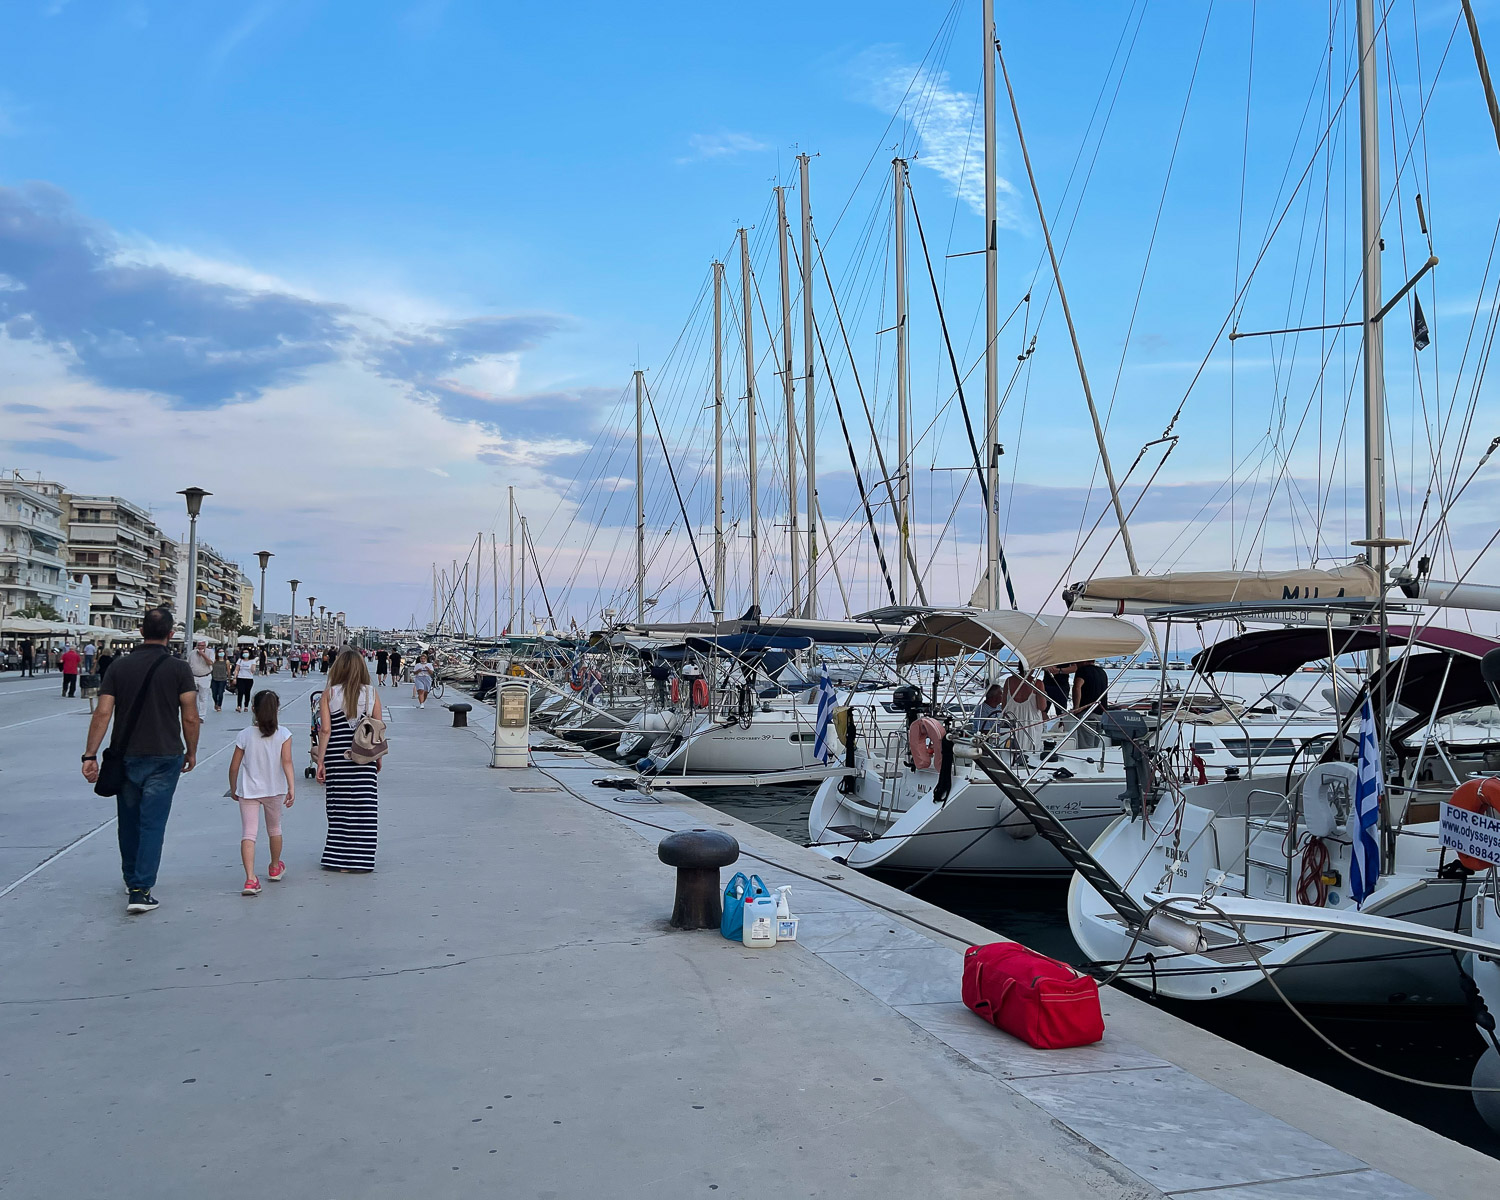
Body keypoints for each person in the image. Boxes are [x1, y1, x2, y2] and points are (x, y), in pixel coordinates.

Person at [80, 606, 199, 914]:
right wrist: (192, 750)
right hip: (165, 755)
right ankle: (141, 889)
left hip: (126, 755)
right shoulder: (179, 668)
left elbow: (103, 712)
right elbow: (190, 716)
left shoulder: (119, 667)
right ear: (171, 634)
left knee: (129, 820)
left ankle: (131, 876)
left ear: (141, 631)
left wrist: (90, 754)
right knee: (153, 823)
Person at [317, 648, 382, 872]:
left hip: (337, 756)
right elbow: (377, 729)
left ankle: (339, 859)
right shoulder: (372, 693)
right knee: (365, 807)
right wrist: (378, 758)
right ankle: (361, 859)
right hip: (364, 756)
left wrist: (321, 761)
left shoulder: (329, 694)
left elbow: (325, 730)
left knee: (339, 807)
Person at [228, 689, 294, 896]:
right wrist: (291, 787)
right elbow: (287, 762)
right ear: (277, 709)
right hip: (274, 790)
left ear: (254, 710)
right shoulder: (284, 734)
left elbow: (234, 766)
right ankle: (275, 866)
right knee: (274, 828)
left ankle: (250, 879)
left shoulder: (245, 735)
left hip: (249, 791)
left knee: (249, 833)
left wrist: (233, 787)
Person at [1000, 671, 1049, 755]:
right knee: (1031, 753)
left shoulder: (1008, 681)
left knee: (1011, 753)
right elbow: (1042, 707)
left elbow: (1004, 706)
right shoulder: (1038, 683)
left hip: (1013, 723)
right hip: (1031, 723)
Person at [1072, 658, 1110, 749]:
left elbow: (1077, 687)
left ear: (1083, 660)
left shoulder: (1082, 671)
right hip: (1102, 714)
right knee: (1095, 746)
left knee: (1086, 746)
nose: (1075, 664)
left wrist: (1076, 708)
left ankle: (1087, 762)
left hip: (1088, 713)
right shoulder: (1102, 672)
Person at [189, 636, 215, 719]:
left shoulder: (210, 652)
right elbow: (188, 664)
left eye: (202, 645)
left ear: (205, 646)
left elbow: (210, 662)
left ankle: (201, 716)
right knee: (192, 697)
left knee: (203, 697)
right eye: (198, 645)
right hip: (194, 676)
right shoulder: (192, 653)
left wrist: (203, 654)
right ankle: (194, 714)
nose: (200, 647)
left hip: (205, 677)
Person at [233, 649, 256, 713]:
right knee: (240, 692)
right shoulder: (240, 660)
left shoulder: (252, 660)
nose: (245, 653)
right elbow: (236, 669)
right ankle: (239, 706)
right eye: (243, 652)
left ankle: (246, 706)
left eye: (246, 652)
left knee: (247, 692)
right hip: (240, 678)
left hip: (249, 678)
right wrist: (235, 677)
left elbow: (253, 670)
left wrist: (253, 668)